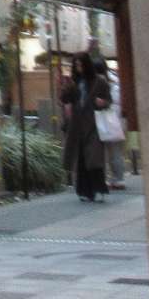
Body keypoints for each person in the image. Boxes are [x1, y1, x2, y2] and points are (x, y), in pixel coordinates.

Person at [60, 53, 114, 202]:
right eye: (76, 66)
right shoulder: (75, 82)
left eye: (81, 65)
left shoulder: (99, 81)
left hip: (94, 124)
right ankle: (84, 190)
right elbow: (64, 98)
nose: (79, 68)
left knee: (95, 159)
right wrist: (67, 87)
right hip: (78, 126)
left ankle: (98, 188)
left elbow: (109, 100)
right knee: (82, 160)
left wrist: (103, 102)